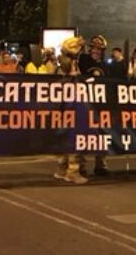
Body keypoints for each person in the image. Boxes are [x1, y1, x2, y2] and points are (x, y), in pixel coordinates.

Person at [54, 36, 88, 184]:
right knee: (75, 137)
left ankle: (61, 168)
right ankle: (73, 171)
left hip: (63, 109)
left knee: (65, 137)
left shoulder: (61, 65)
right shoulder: (69, 66)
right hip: (72, 107)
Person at [78, 35, 109, 176]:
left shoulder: (105, 65)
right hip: (84, 102)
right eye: (94, 48)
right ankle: (80, 165)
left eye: (99, 49)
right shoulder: (84, 60)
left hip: (100, 104)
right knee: (82, 134)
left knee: (101, 134)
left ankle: (100, 164)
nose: (96, 51)